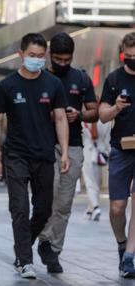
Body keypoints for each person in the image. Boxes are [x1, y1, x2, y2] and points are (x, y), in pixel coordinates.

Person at [0, 33, 69, 279]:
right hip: (16, 155)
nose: (36, 60)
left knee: (44, 210)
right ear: (20, 54)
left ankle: (22, 246)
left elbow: (60, 118)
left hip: (44, 154)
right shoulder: (7, 85)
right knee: (20, 208)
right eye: (31, 56)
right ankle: (25, 260)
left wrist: (64, 151)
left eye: (40, 57)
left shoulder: (53, 84)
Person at [36, 32, 98, 273]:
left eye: (67, 60)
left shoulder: (81, 79)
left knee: (64, 202)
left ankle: (52, 249)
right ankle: (41, 238)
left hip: (72, 145)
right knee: (46, 198)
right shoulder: (40, 77)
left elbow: (93, 110)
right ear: (50, 56)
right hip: (44, 146)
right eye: (58, 59)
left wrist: (79, 115)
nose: (62, 64)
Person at [99, 32, 135, 278]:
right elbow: (102, 115)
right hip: (121, 150)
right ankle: (122, 244)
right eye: (130, 56)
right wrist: (116, 108)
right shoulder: (114, 79)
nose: (133, 59)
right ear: (123, 53)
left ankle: (130, 257)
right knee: (116, 208)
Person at [81, 121, 109, 221]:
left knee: (90, 182)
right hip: (100, 152)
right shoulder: (106, 120)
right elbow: (107, 138)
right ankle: (90, 209)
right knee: (95, 182)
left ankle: (96, 207)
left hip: (89, 152)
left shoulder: (85, 119)